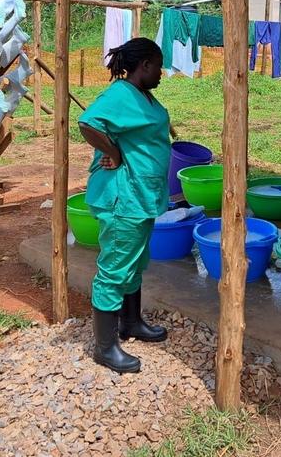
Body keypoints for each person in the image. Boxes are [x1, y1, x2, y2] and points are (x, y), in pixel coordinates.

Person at [78, 37, 172, 374]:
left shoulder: (143, 95)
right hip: (124, 197)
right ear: (144, 65)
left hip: (142, 196)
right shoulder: (120, 93)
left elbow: (141, 127)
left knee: (133, 262)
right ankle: (105, 348)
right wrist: (114, 153)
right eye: (159, 65)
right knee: (115, 268)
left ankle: (130, 322)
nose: (162, 72)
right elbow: (88, 123)